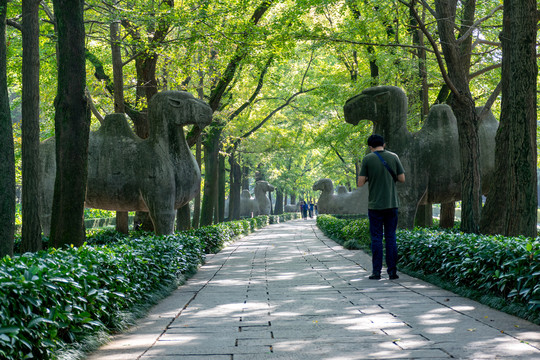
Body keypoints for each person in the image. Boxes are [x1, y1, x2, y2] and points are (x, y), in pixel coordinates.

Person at [357, 134, 405, 280]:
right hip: (392, 204)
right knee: (391, 237)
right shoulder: (394, 156)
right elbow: (402, 178)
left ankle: (376, 272)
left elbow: (360, 183)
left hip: (375, 206)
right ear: (384, 144)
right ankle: (392, 272)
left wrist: (370, 176)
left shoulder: (367, 159)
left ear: (370, 147)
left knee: (376, 238)